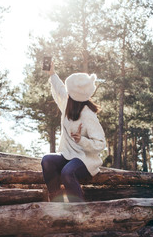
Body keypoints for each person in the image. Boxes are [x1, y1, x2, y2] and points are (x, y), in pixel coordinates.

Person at [41, 62, 106, 202]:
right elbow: (59, 89)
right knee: (47, 160)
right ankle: (56, 202)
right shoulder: (68, 103)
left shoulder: (89, 115)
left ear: (74, 95)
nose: (66, 93)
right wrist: (52, 73)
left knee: (67, 173)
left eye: (68, 91)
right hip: (67, 155)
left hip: (86, 158)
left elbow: (100, 144)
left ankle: (79, 210)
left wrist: (81, 140)